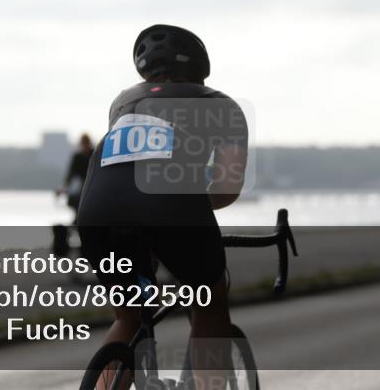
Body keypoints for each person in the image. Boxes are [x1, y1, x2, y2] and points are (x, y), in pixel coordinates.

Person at [78, 25, 248, 390]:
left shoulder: (123, 102)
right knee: (209, 305)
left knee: (128, 316)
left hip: (97, 211)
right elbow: (227, 187)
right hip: (172, 208)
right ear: (200, 70)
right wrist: (195, 212)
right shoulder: (221, 105)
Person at [59, 133, 95, 220]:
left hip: (94, 185)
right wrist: (64, 187)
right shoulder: (78, 157)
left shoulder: (94, 154)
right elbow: (71, 174)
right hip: (83, 186)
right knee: (75, 202)